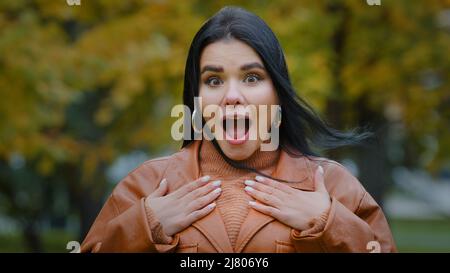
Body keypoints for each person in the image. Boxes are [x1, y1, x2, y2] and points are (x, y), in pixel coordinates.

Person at [81, 6, 396, 253]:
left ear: (277, 91)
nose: (232, 96)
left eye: (252, 77)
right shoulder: (148, 185)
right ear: (198, 98)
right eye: (214, 80)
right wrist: (145, 226)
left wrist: (330, 224)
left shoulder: (332, 186)